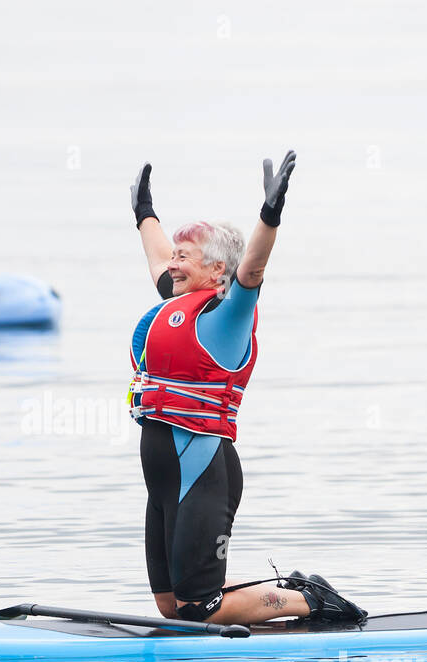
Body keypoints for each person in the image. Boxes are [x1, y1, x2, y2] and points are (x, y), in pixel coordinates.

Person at [127, 153, 367, 628]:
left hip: (203, 471)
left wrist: (269, 216)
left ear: (217, 270)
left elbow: (252, 268)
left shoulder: (227, 318)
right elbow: (158, 258)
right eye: (174, 256)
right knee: (171, 605)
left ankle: (312, 600)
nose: (171, 265)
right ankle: (287, 592)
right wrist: (143, 213)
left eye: (183, 257)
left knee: (199, 608)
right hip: (162, 476)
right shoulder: (179, 303)